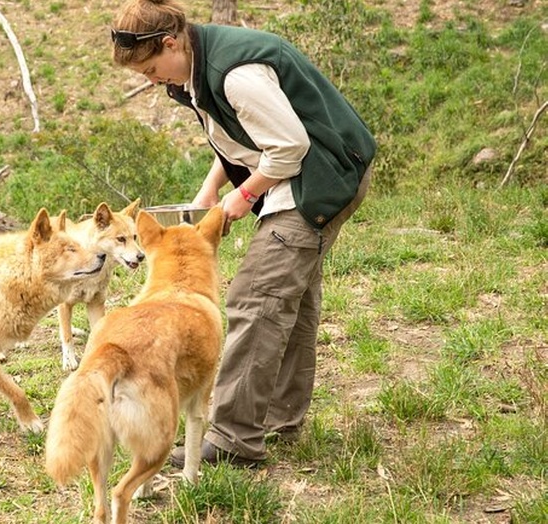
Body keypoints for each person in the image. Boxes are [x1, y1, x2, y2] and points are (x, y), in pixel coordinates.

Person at [110, 0, 377, 468]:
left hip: (320, 179)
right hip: (301, 175)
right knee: (289, 301)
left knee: (256, 299)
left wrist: (244, 194)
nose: (152, 80)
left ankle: (234, 441)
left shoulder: (235, 72)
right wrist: (215, 183)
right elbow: (246, 130)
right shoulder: (195, 67)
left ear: (171, 42)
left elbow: (289, 146)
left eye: (152, 68)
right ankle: (278, 420)